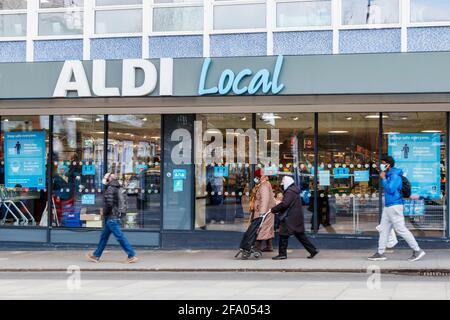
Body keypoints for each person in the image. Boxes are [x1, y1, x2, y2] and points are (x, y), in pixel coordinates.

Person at [368, 156, 425, 262]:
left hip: (395, 205)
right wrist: (384, 177)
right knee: (384, 230)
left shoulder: (395, 175)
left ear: (388, 164)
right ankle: (380, 253)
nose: (381, 165)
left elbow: (390, 189)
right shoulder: (389, 175)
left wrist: (384, 179)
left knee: (401, 229)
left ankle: (417, 250)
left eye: (383, 163)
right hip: (388, 206)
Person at [87, 173, 138, 263]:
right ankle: (96, 255)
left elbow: (109, 204)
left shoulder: (111, 188)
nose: (104, 180)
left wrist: (104, 212)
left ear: (109, 179)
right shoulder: (118, 187)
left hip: (112, 217)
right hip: (114, 216)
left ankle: (131, 255)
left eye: (105, 178)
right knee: (104, 237)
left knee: (120, 237)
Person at [270, 176, 319, 260]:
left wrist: (274, 209)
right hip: (295, 217)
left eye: (283, 183)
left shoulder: (290, 192)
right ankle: (312, 250)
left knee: (283, 235)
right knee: (300, 235)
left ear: (287, 183)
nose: (282, 184)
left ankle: (282, 254)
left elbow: (285, 204)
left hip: (289, 218)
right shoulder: (294, 190)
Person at [249, 169, 276, 252]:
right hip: (266, 211)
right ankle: (269, 246)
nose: (255, 178)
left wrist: (262, 213)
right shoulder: (262, 184)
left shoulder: (264, 186)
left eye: (256, 176)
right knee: (267, 228)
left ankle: (257, 247)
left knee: (260, 229)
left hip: (264, 211)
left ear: (260, 176)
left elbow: (265, 199)